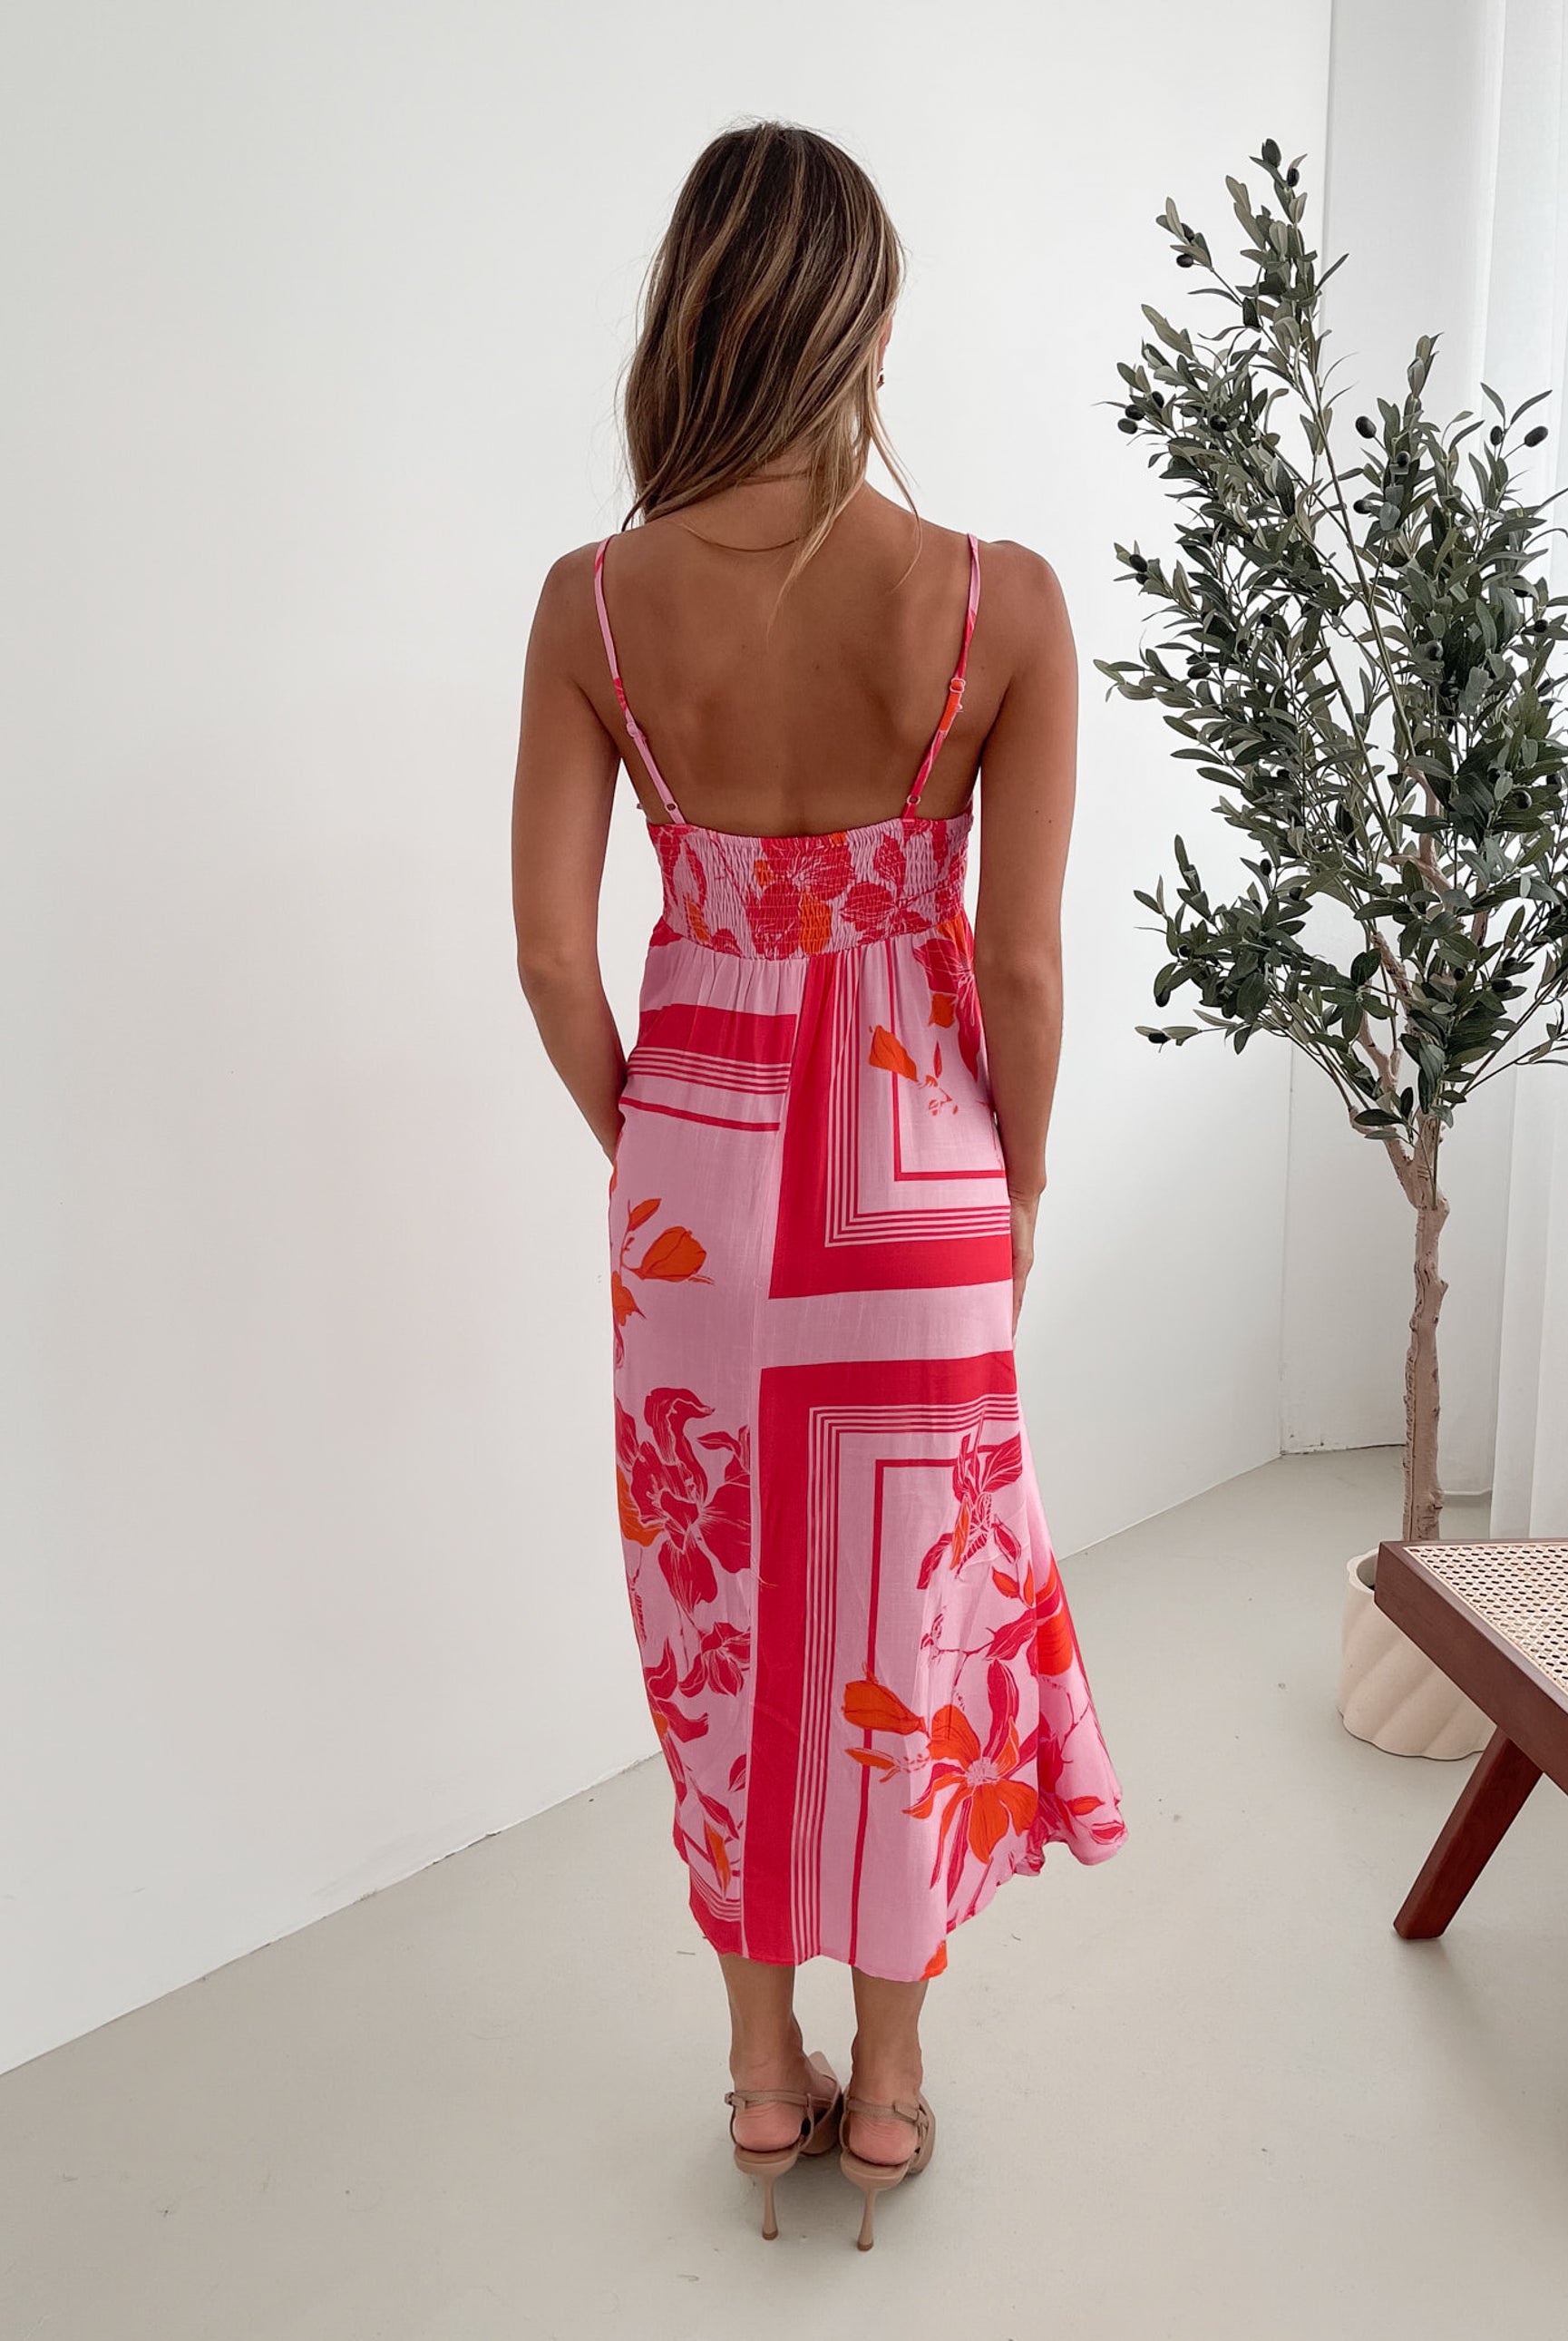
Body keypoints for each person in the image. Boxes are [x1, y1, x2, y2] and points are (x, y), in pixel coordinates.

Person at [511, 118, 1126, 2250]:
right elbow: (1025, 963)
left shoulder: (592, 604)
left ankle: (755, 2070)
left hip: (693, 1188)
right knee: (896, 1623)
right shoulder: (997, 603)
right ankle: (889, 2082)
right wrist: (1017, 1181)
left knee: (724, 1629)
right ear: (862, 316)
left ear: (690, 310)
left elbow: (543, 954)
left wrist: (666, 1158)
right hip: (918, 1187)